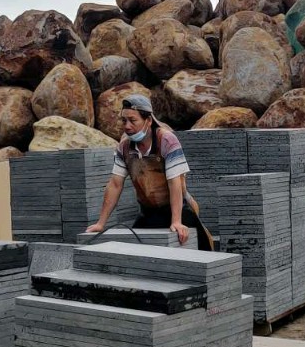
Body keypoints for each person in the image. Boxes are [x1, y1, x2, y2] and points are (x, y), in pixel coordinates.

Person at [86, 95, 213, 250]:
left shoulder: (166, 140)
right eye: (124, 120)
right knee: (136, 249)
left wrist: (176, 221)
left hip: (178, 209)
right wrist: (101, 223)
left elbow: (174, 182)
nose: (127, 126)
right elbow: (115, 185)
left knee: (203, 251)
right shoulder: (124, 147)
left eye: (132, 120)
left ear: (148, 120)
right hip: (148, 212)